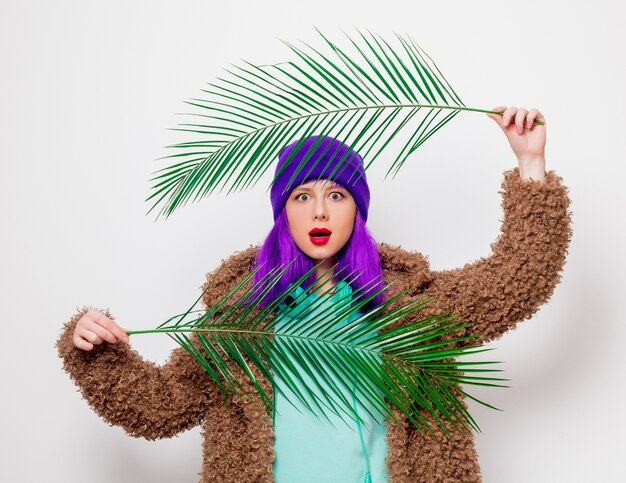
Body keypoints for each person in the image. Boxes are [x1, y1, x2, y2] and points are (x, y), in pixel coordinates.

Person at [56, 106, 572, 482]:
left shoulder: (413, 303)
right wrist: (99, 351)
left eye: (336, 195)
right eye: (303, 196)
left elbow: (519, 277)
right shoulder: (240, 315)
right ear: (284, 212)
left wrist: (530, 162)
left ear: (357, 210)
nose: (320, 212)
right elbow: (164, 407)